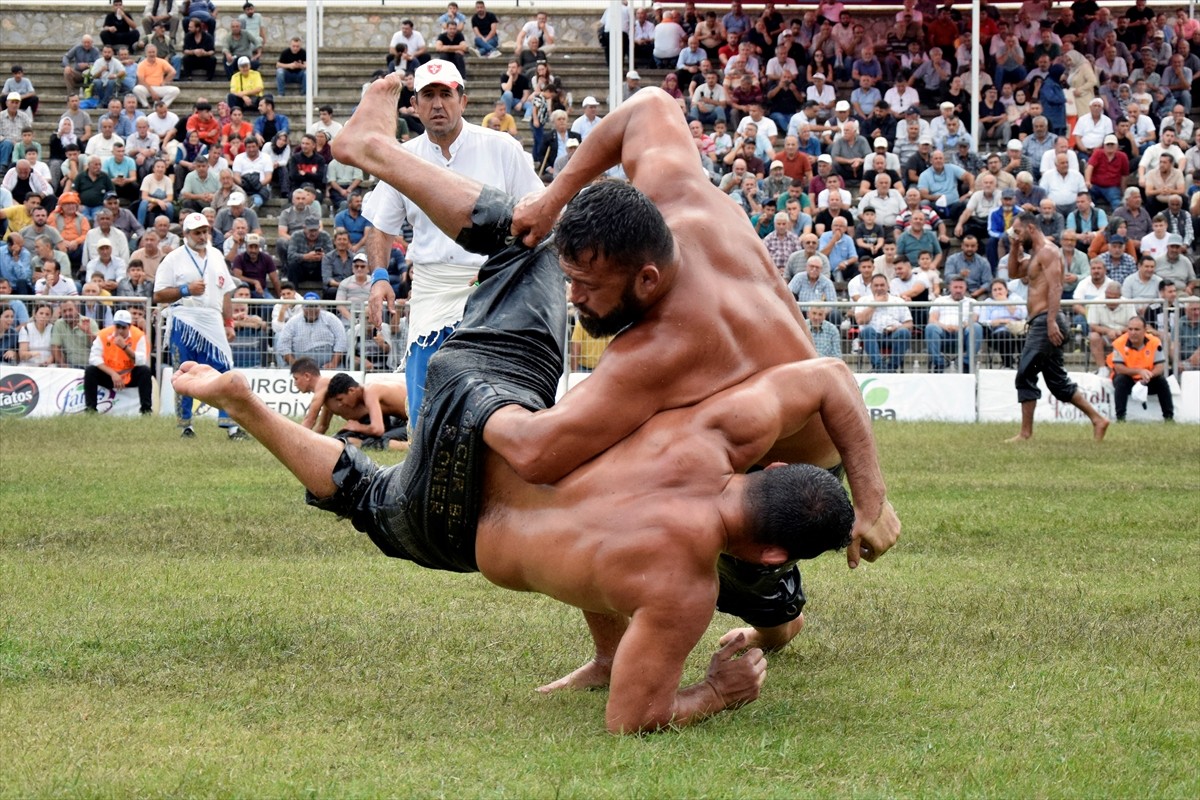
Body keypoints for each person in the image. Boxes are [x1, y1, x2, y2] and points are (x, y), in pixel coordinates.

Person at [170, 240, 877, 736]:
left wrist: (874, 502)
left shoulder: (707, 438)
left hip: (487, 399)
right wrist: (716, 693)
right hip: (458, 524)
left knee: (528, 242)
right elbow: (633, 721)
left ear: (774, 470)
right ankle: (253, 411)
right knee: (363, 493)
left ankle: (514, 212)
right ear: (770, 558)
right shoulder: (679, 593)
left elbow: (826, 378)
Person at [336, 80, 899, 586]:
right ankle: (375, 151)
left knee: (754, 599)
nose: (572, 296)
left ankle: (761, 620)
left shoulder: (660, 351)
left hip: (778, 476)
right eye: (571, 279)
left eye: (587, 286)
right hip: (765, 432)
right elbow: (648, 106)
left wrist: (467, 389)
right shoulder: (684, 200)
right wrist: (551, 200)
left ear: (646, 279)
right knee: (523, 232)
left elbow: (539, 455)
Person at [360, 61, 541, 432]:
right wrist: (379, 277)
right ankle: (424, 483)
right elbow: (380, 225)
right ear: (414, 104)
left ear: (463, 100)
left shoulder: (502, 148)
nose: (438, 104)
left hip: (493, 286)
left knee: (493, 399)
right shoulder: (403, 158)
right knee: (423, 404)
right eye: (428, 95)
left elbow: (537, 212)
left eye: (446, 94)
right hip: (431, 290)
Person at [1006, 212, 1109, 441]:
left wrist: (1052, 321)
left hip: (1046, 321)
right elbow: (1013, 272)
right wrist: (1014, 246)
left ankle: (1025, 434)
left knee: (1025, 374)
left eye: (1019, 232)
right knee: (1057, 382)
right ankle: (1098, 420)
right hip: (1041, 321)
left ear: (1031, 228)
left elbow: (1056, 288)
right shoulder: (1034, 254)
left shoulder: (1049, 252)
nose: (1018, 236)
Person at [152, 211, 242, 439]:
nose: (202, 236)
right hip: (185, 318)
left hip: (212, 318)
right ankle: (185, 425)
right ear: (186, 234)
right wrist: (185, 290)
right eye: (197, 233)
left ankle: (230, 424)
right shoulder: (173, 258)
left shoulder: (216, 255)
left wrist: (229, 322)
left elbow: (226, 293)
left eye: (205, 232)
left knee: (224, 367)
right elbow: (158, 295)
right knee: (184, 371)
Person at [83, 307, 152, 413]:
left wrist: (125, 347)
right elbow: (94, 358)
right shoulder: (104, 334)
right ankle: (91, 409)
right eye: (117, 327)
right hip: (109, 374)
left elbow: (141, 360)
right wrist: (113, 374)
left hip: (129, 374)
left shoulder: (138, 335)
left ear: (129, 326)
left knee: (145, 371)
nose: (119, 331)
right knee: (90, 371)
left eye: (123, 327)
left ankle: (146, 410)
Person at [320, 372, 409, 450]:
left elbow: (378, 430)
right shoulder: (367, 390)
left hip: (418, 423)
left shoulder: (370, 392)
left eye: (341, 399)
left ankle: (412, 446)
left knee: (379, 440)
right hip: (406, 418)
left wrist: (357, 427)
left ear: (351, 390)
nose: (340, 404)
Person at [1108, 315, 1174, 421]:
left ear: (1145, 330)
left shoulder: (1155, 342)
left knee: (1162, 381)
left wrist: (1148, 375)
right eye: (1130, 329)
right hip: (1128, 379)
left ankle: (1169, 418)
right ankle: (1120, 418)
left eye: (1137, 329)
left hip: (1147, 379)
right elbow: (1118, 368)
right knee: (1120, 379)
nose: (1133, 332)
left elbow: (1160, 366)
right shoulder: (1119, 343)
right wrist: (1139, 371)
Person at [926, 276, 984, 373]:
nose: (958, 290)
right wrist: (945, 326)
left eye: (961, 287)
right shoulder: (940, 300)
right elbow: (932, 319)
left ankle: (966, 362)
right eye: (955, 287)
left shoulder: (972, 302)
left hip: (964, 333)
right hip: (943, 332)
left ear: (965, 288)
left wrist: (960, 327)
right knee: (931, 327)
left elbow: (974, 319)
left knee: (976, 327)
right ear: (950, 287)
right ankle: (939, 362)